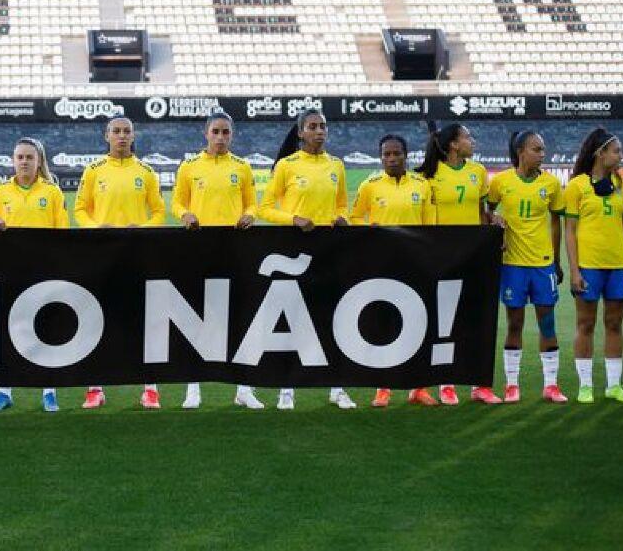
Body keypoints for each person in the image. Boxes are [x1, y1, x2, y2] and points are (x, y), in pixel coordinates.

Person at [258, 108, 356, 410]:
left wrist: (341, 217)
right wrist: (294, 219)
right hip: (293, 250)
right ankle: (287, 390)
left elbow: (342, 205)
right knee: (294, 320)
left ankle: (337, 388)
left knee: (332, 318)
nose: (319, 131)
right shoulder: (286, 166)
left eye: (322, 126)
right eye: (312, 126)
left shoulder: (336, 165)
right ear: (300, 133)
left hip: (328, 251)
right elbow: (265, 208)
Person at [171, 111, 262, 410]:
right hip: (200, 249)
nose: (221, 137)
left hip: (235, 249)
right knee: (197, 318)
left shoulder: (242, 167)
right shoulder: (189, 167)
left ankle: (244, 388)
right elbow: (177, 202)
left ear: (231, 135)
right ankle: (193, 388)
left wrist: (250, 214)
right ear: (206, 134)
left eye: (226, 132)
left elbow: (252, 202)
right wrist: (185, 215)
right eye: (216, 132)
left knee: (239, 318)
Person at [74, 117, 166, 410]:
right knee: (97, 319)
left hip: (138, 256)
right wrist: (95, 228)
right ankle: (95, 388)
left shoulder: (147, 172)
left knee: (143, 320)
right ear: (107, 136)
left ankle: (150, 389)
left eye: (126, 132)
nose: (122, 136)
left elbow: (159, 212)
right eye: (116, 132)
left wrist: (143, 229)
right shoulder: (93, 171)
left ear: (133, 135)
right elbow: (79, 209)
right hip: (101, 256)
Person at [416, 122, 501, 405]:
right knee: (444, 322)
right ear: (453, 144)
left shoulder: (477, 172)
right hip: (441, 256)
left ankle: (480, 385)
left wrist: (494, 221)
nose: (472, 141)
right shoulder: (429, 175)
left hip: (474, 255)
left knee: (475, 320)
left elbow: (481, 212)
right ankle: (446, 383)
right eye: (467, 137)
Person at [0, 137, 69, 413]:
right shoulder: (0, 192)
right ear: (13, 160)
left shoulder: (52, 192)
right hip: (10, 270)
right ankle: (4, 391)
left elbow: (62, 233)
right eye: (19, 157)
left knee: (46, 330)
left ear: (39, 161)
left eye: (29, 157)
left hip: (44, 271)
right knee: (9, 330)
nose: (24, 162)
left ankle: (49, 391)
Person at [352, 135, 438, 408]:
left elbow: (431, 227)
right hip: (382, 266)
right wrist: (369, 234)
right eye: (386, 154)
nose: (391, 158)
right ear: (381, 157)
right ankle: (383, 388)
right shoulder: (369, 186)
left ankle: (419, 387)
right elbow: (355, 218)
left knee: (419, 324)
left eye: (396, 153)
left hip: (415, 264)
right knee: (384, 325)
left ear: (406, 155)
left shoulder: (423, 186)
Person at [487, 130, 567, 404]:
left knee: (547, 322)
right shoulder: (500, 182)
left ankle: (551, 385)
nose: (542, 154)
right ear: (522, 151)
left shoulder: (552, 184)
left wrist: (556, 260)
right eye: (537, 149)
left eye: (543, 149)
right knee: (515, 323)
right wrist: (493, 217)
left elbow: (556, 221)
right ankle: (512, 385)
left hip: (542, 265)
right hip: (512, 265)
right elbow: (486, 210)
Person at [564, 128, 623, 403]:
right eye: (616, 151)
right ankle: (585, 386)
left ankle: (614, 386)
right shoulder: (577, 186)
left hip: (619, 265)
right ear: (600, 153)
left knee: (615, 323)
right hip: (589, 266)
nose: (621, 156)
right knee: (585, 323)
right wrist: (575, 270)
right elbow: (570, 231)